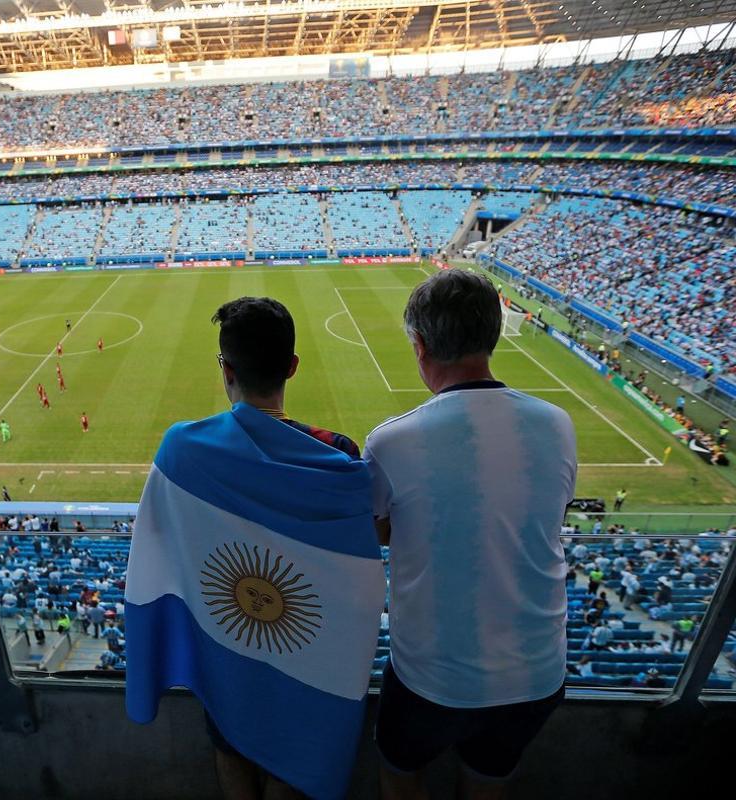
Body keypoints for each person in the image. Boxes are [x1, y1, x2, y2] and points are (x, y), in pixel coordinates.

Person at [126, 296, 383, 800]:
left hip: (228, 645)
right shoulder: (339, 455)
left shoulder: (182, 448)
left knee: (229, 745)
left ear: (226, 370)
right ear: (292, 366)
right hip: (310, 651)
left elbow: (158, 540)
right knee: (293, 760)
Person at [364, 270, 575, 799]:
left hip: (434, 678)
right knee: (487, 780)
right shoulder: (557, 423)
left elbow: (378, 534)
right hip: (537, 674)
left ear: (419, 345)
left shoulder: (392, 441)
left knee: (399, 772)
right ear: (493, 335)